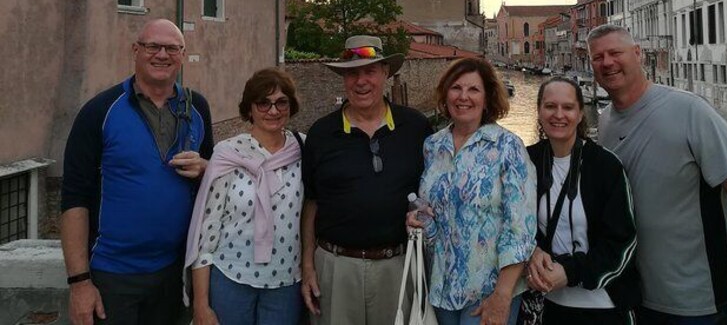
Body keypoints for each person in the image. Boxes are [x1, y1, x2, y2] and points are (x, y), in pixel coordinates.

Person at [588, 24, 727, 324]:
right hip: (636, 295)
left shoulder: (689, 110)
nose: (607, 62)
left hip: (697, 301)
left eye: (615, 53)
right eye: (598, 57)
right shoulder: (606, 122)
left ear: (638, 55)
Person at [61, 18, 214, 325]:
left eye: (172, 48)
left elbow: (215, 187)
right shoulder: (100, 111)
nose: (162, 55)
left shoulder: (196, 107)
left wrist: (205, 169)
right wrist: (79, 283)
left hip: (174, 274)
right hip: (112, 276)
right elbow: (74, 199)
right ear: (135, 50)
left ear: (182, 55)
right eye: (152, 46)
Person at [300, 35, 433, 325]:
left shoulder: (416, 127)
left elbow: (433, 190)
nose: (361, 81)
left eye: (370, 71)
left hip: (397, 267)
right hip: (336, 269)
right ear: (343, 79)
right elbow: (311, 203)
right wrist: (308, 266)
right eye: (352, 73)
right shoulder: (321, 134)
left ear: (386, 73)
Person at [408, 57, 536, 325]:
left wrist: (502, 294)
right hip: (440, 289)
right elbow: (433, 208)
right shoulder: (432, 145)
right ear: (446, 94)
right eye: (456, 88)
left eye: (473, 90)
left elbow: (520, 229)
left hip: (488, 292)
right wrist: (417, 220)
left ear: (488, 98)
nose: (463, 97)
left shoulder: (507, 147)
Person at [186, 68, 305, 325]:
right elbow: (207, 233)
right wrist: (201, 304)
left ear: (290, 106)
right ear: (249, 108)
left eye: (281, 102)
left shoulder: (304, 149)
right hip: (231, 279)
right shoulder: (227, 153)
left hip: (285, 283)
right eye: (263, 102)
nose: (273, 111)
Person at [525, 77, 639, 325]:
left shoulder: (605, 166)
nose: (558, 115)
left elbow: (622, 242)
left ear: (579, 114)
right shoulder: (526, 161)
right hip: (547, 306)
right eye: (550, 106)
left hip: (603, 307)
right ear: (539, 112)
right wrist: (532, 252)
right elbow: (513, 226)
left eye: (567, 107)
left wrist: (569, 272)